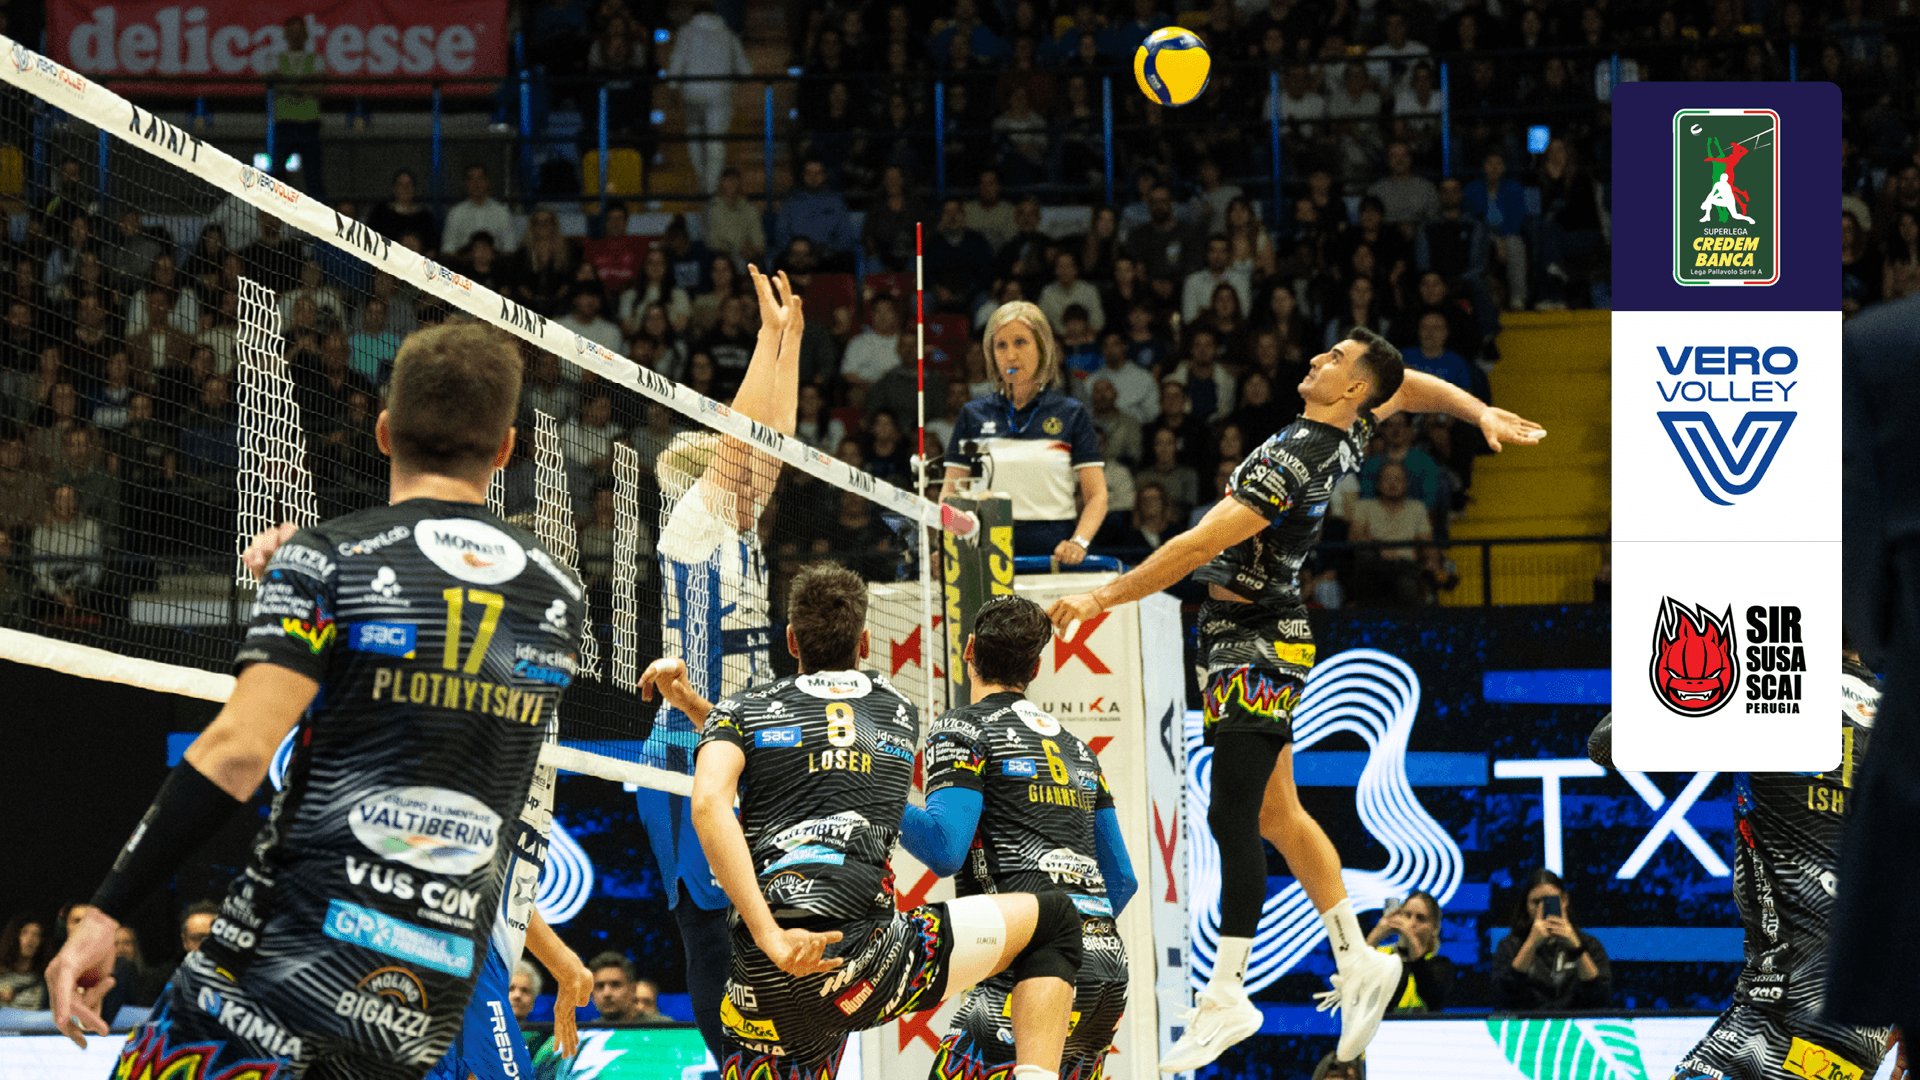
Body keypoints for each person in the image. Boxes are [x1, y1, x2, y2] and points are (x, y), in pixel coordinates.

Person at [44, 323, 587, 1079]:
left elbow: (239, 752)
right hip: (422, 992)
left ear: (384, 432)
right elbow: (437, 716)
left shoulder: (329, 559)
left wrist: (105, 913)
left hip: (287, 955)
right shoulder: (559, 597)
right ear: (505, 449)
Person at [1046, 328, 1546, 1070]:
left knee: (1231, 813)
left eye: (1335, 359)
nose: (1317, 358)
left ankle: (1227, 992)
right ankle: (1358, 957)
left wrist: (1101, 598)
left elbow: (1194, 546)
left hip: (1257, 639)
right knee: (1278, 815)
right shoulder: (1349, 425)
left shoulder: (1298, 457)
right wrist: (1479, 413)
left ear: (1352, 389)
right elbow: (1410, 386)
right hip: (1242, 632)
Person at [640, 562, 1083, 1080]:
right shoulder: (897, 708)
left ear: (791, 640)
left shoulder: (739, 713)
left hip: (768, 979)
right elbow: (801, 742)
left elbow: (715, 798)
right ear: (865, 643)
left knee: (791, 1020)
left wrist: (771, 937)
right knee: (1055, 922)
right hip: (871, 964)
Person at [635, 266, 805, 1066]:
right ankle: (731, 1064)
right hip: (684, 752)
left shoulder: (738, 528)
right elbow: (743, 441)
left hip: (738, 741)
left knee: (750, 917)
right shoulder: (694, 524)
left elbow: (774, 441)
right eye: (732, 473)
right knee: (705, 923)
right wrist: (764, 341)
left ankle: (767, 1056)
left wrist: (791, 341)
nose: (751, 483)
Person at [1592, 650, 1892, 1080]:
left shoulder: (1760, 691)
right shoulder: (1900, 712)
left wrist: (1708, 672)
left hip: (1778, 1021)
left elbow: (1604, 743)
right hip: (1861, 1033)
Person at [902, 595, 1138, 1080]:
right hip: (1105, 972)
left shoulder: (962, 727)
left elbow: (945, 849)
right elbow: (1121, 880)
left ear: (969, 649)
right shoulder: (1078, 750)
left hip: (1029, 967)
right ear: (1035, 667)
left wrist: (880, 797)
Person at [943, 301, 1109, 564]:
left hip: (1053, 553)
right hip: (983, 550)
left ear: (1043, 349)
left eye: (1020, 342)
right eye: (1001, 345)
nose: (1011, 355)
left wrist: (1078, 542)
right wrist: (949, 545)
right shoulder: (972, 414)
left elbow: (1097, 495)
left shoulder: (1072, 413)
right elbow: (950, 494)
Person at [1489, 871, 1611, 1011]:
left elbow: (1602, 997)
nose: (1542, 908)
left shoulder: (1589, 944)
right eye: (1536, 902)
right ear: (1526, 904)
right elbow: (1501, 997)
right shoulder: (1509, 946)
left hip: (1576, 1022)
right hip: (1528, 1022)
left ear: (1564, 900)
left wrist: (1576, 948)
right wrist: (1531, 944)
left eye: (1550, 901)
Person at [667, 2, 754, 196]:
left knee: (695, 137)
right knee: (715, 141)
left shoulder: (686, 32)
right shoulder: (728, 33)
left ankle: (703, 182)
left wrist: (672, 87)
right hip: (720, 95)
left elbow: (676, 63)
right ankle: (711, 188)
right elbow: (746, 70)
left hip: (692, 94)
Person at [1363, 892, 1452, 1013]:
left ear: (1435, 928)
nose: (1411, 923)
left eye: (1420, 918)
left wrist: (1411, 937)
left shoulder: (1441, 966)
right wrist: (1376, 934)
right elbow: (1353, 983)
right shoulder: (1381, 956)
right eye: (1407, 916)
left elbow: (1431, 996)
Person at [272, 16, 327, 202]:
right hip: (284, 124)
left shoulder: (316, 59)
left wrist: (289, 85)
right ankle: (273, 212)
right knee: (277, 174)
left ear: (306, 35)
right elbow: (271, 81)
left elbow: (320, 87)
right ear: (286, 35)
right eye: (292, 32)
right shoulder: (276, 59)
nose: (296, 36)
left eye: (299, 32)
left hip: (309, 124)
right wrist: (305, 85)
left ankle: (319, 215)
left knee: (314, 177)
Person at [442, 166, 519, 255]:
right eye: (471, 179)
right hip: (463, 261)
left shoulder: (501, 212)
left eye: (480, 178)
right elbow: (447, 250)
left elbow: (510, 248)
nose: (476, 184)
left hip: (496, 262)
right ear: (465, 183)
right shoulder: (455, 213)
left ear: (488, 182)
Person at [587, 955, 659, 1023]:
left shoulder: (660, 1027)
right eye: (599, 986)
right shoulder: (588, 1030)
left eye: (615, 985)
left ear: (633, 990)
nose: (607, 993)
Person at [0, 915, 49, 1010]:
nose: (30, 939)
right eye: (24, 933)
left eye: (36, 935)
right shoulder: (2, 973)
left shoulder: (45, 980)